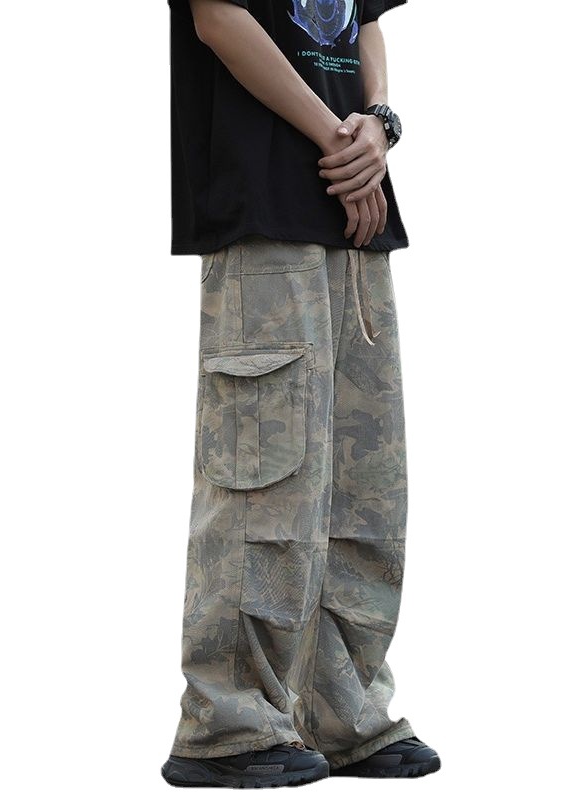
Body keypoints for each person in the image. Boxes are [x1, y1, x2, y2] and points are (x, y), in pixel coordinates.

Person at [161, 0, 440, 788]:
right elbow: (217, 17)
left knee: (362, 486)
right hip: (266, 205)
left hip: (357, 213)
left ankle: (341, 713)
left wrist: (378, 123)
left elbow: (366, 20)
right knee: (262, 482)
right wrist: (335, 138)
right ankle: (229, 724)